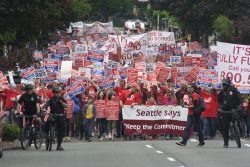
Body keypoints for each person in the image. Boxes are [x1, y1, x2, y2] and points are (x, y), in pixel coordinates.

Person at [217, 78, 243, 148]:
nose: (224, 86)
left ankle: (239, 131)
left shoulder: (234, 90)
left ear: (228, 85)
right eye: (223, 85)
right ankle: (226, 142)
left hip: (234, 109)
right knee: (225, 127)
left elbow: (239, 97)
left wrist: (240, 104)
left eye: (225, 84)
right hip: (225, 111)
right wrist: (220, 107)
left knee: (237, 118)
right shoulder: (221, 92)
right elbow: (218, 100)